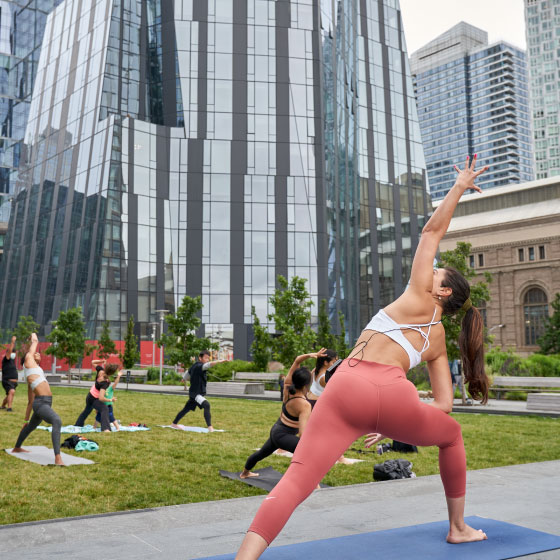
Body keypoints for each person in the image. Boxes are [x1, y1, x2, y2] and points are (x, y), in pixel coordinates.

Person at [235, 155, 490, 559]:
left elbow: (431, 231)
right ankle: (458, 528)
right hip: (390, 397)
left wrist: (459, 185)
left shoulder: (419, 295)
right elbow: (443, 406)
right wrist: (395, 419)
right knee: (452, 436)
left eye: (438, 273)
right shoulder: (438, 340)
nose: (431, 271)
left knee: (296, 481)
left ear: (441, 293)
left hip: (344, 387)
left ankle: (245, 557)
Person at [240, 352, 319, 479]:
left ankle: (245, 473)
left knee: (261, 454)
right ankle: (313, 484)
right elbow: (302, 435)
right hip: (284, 436)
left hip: (276, 431)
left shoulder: (287, 387)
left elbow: (297, 360)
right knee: (307, 453)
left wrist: (311, 355)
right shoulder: (304, 405)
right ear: (306, 385)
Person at [12, 333, 64, 466]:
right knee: (57, 421)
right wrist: (32, 337)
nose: (38, 354)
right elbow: (35, 339)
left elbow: (30, 402)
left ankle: (17, 447)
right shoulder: (28, 361)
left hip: (41, 403)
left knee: (30, 427)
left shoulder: (35, 371)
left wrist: (26, 420)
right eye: (36, 354)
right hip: (41, 403)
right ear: (28, 359)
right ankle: (58, 458)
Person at [171, 350, 227, 432]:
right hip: (196, 394)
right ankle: (210, 427)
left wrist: (183, 379)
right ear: (200, 358)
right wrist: (219, 361)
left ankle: (174, 424)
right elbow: (208, 365)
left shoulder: (194, 366)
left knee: (186, 409)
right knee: (206, 405)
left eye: (208, 358)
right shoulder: (200, 366)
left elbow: (187, 373)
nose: (207, 360)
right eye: (205, 358)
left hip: (193, 393)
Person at [74, 360, 113, 431]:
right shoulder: (105, 382)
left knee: (87, 410)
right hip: (94, 399)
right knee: (104, 409)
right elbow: (101, 398)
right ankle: (106, 429)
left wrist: (101, 361)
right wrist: (109, 400)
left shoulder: (100, 370)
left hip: (89, 396)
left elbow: (92, 362)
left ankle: (78, 425)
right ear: (110, 374)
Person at [93, 364, 122, 430]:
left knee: (111, 417)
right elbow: (99, 398)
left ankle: (118, 428)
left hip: (108, 406)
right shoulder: (102, 388)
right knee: (98, 416)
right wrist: (96, 409)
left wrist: (118, 376)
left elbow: (115, 383)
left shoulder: (110, 388)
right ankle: (94, 427)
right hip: (102, 405)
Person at [1, 336, 18, 411]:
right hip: (7, 381)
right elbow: (10, 351)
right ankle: (9, 407)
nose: (14, 354)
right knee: (11, 391)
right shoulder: (6, 359)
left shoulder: (12, 361)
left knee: (9, 394)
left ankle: (2, 406)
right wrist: (12, 342)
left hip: (14, 382)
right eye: (12, 352)